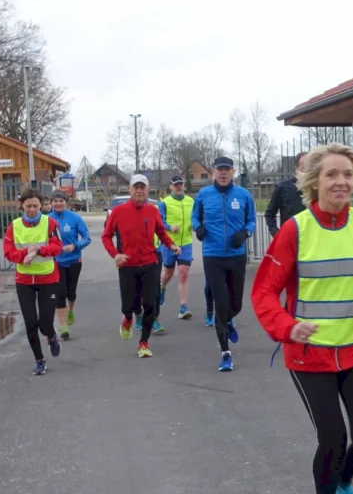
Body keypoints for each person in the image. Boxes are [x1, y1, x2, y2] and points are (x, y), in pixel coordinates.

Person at [251, 143, 353, 494]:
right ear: (314, 181)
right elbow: (264, 292)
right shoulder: (296, 230)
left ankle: (344, 481)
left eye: (347, 174)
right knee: (331, 436)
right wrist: (286, 326)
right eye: (331, 174)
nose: (341, 181)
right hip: (309, 355)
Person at [102, 174, 180, 358]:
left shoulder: (153, 211)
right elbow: (106, 236)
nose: (139, 191)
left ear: (147, 190)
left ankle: (144, 342)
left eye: (142, 187)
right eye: (135, 187)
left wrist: (171, 245)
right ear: (129, 189)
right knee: (129, 304)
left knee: (150, 303)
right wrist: (115, 255)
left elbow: (161, 232)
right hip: (127, 265)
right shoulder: (119, 212)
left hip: (149, 263)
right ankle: (128, 317)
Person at [191, 156, 256, 371]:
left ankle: (228, 320)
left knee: (235, 304)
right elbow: (195, 218)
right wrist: (198, 228)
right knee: (220, 302)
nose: (223, 173)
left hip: (236, 254)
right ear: (213, 172)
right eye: (219, 170)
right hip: (213, 255)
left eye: (227, 170)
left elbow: (252, 220)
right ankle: (225, 353)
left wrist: (245, 233)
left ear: (233, 172)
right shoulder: (203, 195)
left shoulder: (243, 195)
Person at [3, 188, 63, 376]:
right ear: (22, 205)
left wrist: (39, 250)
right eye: (28, 206)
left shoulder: (49, 222)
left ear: (42, 206)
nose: (32, 210)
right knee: (30, 322)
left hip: (48, 278)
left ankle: (51, 336)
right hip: (24, 280)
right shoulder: (14, 226)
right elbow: (8, 252)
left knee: (45, 323)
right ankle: (39, 360)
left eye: (36, 206)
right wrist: (24, 253)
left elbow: (58, 247)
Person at [49, 190, 92, 340]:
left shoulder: (75, 218)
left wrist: (75, 246)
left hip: (74, 261)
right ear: (51, 203)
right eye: (55, 201)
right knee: (59, 293)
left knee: (70, 292)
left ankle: (71, 309)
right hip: (55, 262)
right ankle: (63, 327)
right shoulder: (47, 219)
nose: (58, 203)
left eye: (61, 201)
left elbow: (87, 238)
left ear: (66, 203)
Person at [158, 175, 196, 320]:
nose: (179, 187)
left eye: (181, 184)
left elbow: (195, 218)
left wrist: (195, 225)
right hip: (169, 244)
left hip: (186, 243)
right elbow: (159, 222)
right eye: (176, 185)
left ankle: (183, 307)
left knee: (183, 273)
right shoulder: (165, 203)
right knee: (168, 273)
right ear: (171, 187)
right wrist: (169, 227)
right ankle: (162, 287)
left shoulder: (190, 201)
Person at [264, 151, 307, 237]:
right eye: (303, 168)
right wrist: (277, 234)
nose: (307, 172)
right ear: (296, 168)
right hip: (290, 239)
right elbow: (269, 214)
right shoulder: (282, 187)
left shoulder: (317, 188)